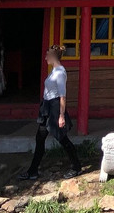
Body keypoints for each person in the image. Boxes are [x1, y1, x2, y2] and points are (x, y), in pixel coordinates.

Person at [18, 45, 82, 180]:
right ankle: (32, 171)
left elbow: (62, 96)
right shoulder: (53, 71)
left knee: (62, 138)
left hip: (55, 108)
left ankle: (76, 167)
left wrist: (61, 115)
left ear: (54, 57)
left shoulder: (60, 73)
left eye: (48, 55)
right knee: (39, 138)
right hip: (46, 107)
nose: (46, 58)